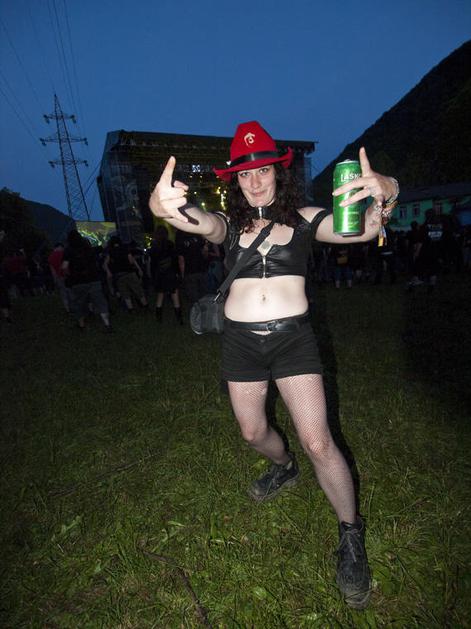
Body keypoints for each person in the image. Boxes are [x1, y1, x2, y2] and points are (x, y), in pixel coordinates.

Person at [149, 121, 399, 610]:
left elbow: (367, 228)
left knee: (318, 440)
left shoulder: (305, 219)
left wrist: (387, 190)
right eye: (244, 174)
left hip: (292, 342)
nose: (254, 181)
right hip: (241, 343)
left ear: (278, 174)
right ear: (235, 181)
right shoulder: (229, 225)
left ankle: (350, 534)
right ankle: (284, 467)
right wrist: (166, 208)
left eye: (262, 170)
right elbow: (200, 222)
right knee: (252, 433)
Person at [62, 230, 112, 332]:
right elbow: (102, 250)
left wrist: (69, 276)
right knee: (100, 302)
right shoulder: (89, 249)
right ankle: (107, 324)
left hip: (78, 281)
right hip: (93, 279)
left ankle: (82, 326)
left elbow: (64, 267)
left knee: (79, 304)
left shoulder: (68, 251)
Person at [147, 225, 183, 323]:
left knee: (160, 295)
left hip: (159, 274)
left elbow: (152, 263)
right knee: (175, 295)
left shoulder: (154, 246)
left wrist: (152, 275)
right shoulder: (170, 244)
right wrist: (178, 273)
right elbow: (175, 260)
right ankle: (179, 319)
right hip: (170, 273)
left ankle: (159, 318)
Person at [103, 236, 149, 313]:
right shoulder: (125, 248)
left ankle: (131, 309)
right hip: (129, 273)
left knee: (125, 293)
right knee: (138, 290)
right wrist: (138, 268)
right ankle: (145, 306)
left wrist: (108, 272)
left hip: (118, 276)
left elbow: (105, 264)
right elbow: (131, 260)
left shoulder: (110, 251)